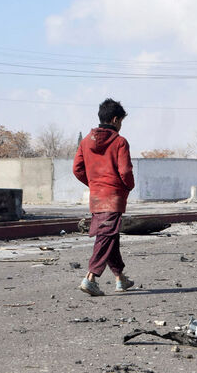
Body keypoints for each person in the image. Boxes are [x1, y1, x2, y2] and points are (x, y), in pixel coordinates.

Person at [73, 98, 136, 296]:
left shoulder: (85, 142)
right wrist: (127, 186)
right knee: (105, 237)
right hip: (114, 196)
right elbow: (125, 171)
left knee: (110, 236)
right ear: (115, 120)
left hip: (97, 198)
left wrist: (94, 184)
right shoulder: (119, 142)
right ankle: (90, 278)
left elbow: (77, 169)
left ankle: (120, 279)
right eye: (121, 122)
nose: (120, 126)